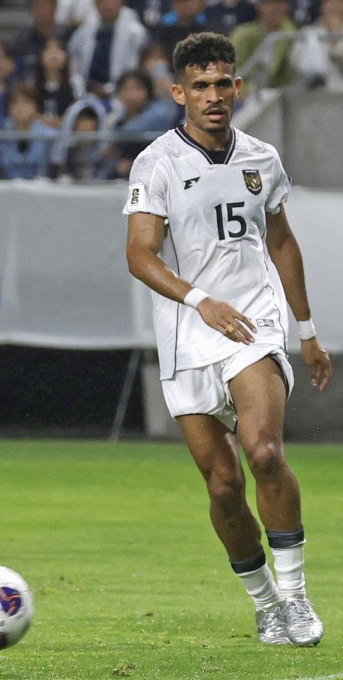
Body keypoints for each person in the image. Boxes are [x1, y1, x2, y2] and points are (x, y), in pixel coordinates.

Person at [124, 31, 331, 646]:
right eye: (201, 86)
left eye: (223, 84)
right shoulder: (157, 162)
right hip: (188, 332)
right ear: (179, 93)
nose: (214, 96)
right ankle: (265, 602)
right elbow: (139, 255)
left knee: (264, 453)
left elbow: (282, 240)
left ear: (237, 87)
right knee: (222, 485)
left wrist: (308, 331)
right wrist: (199, 300)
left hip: (253, 324)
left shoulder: (262, 159)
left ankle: (295, 599)